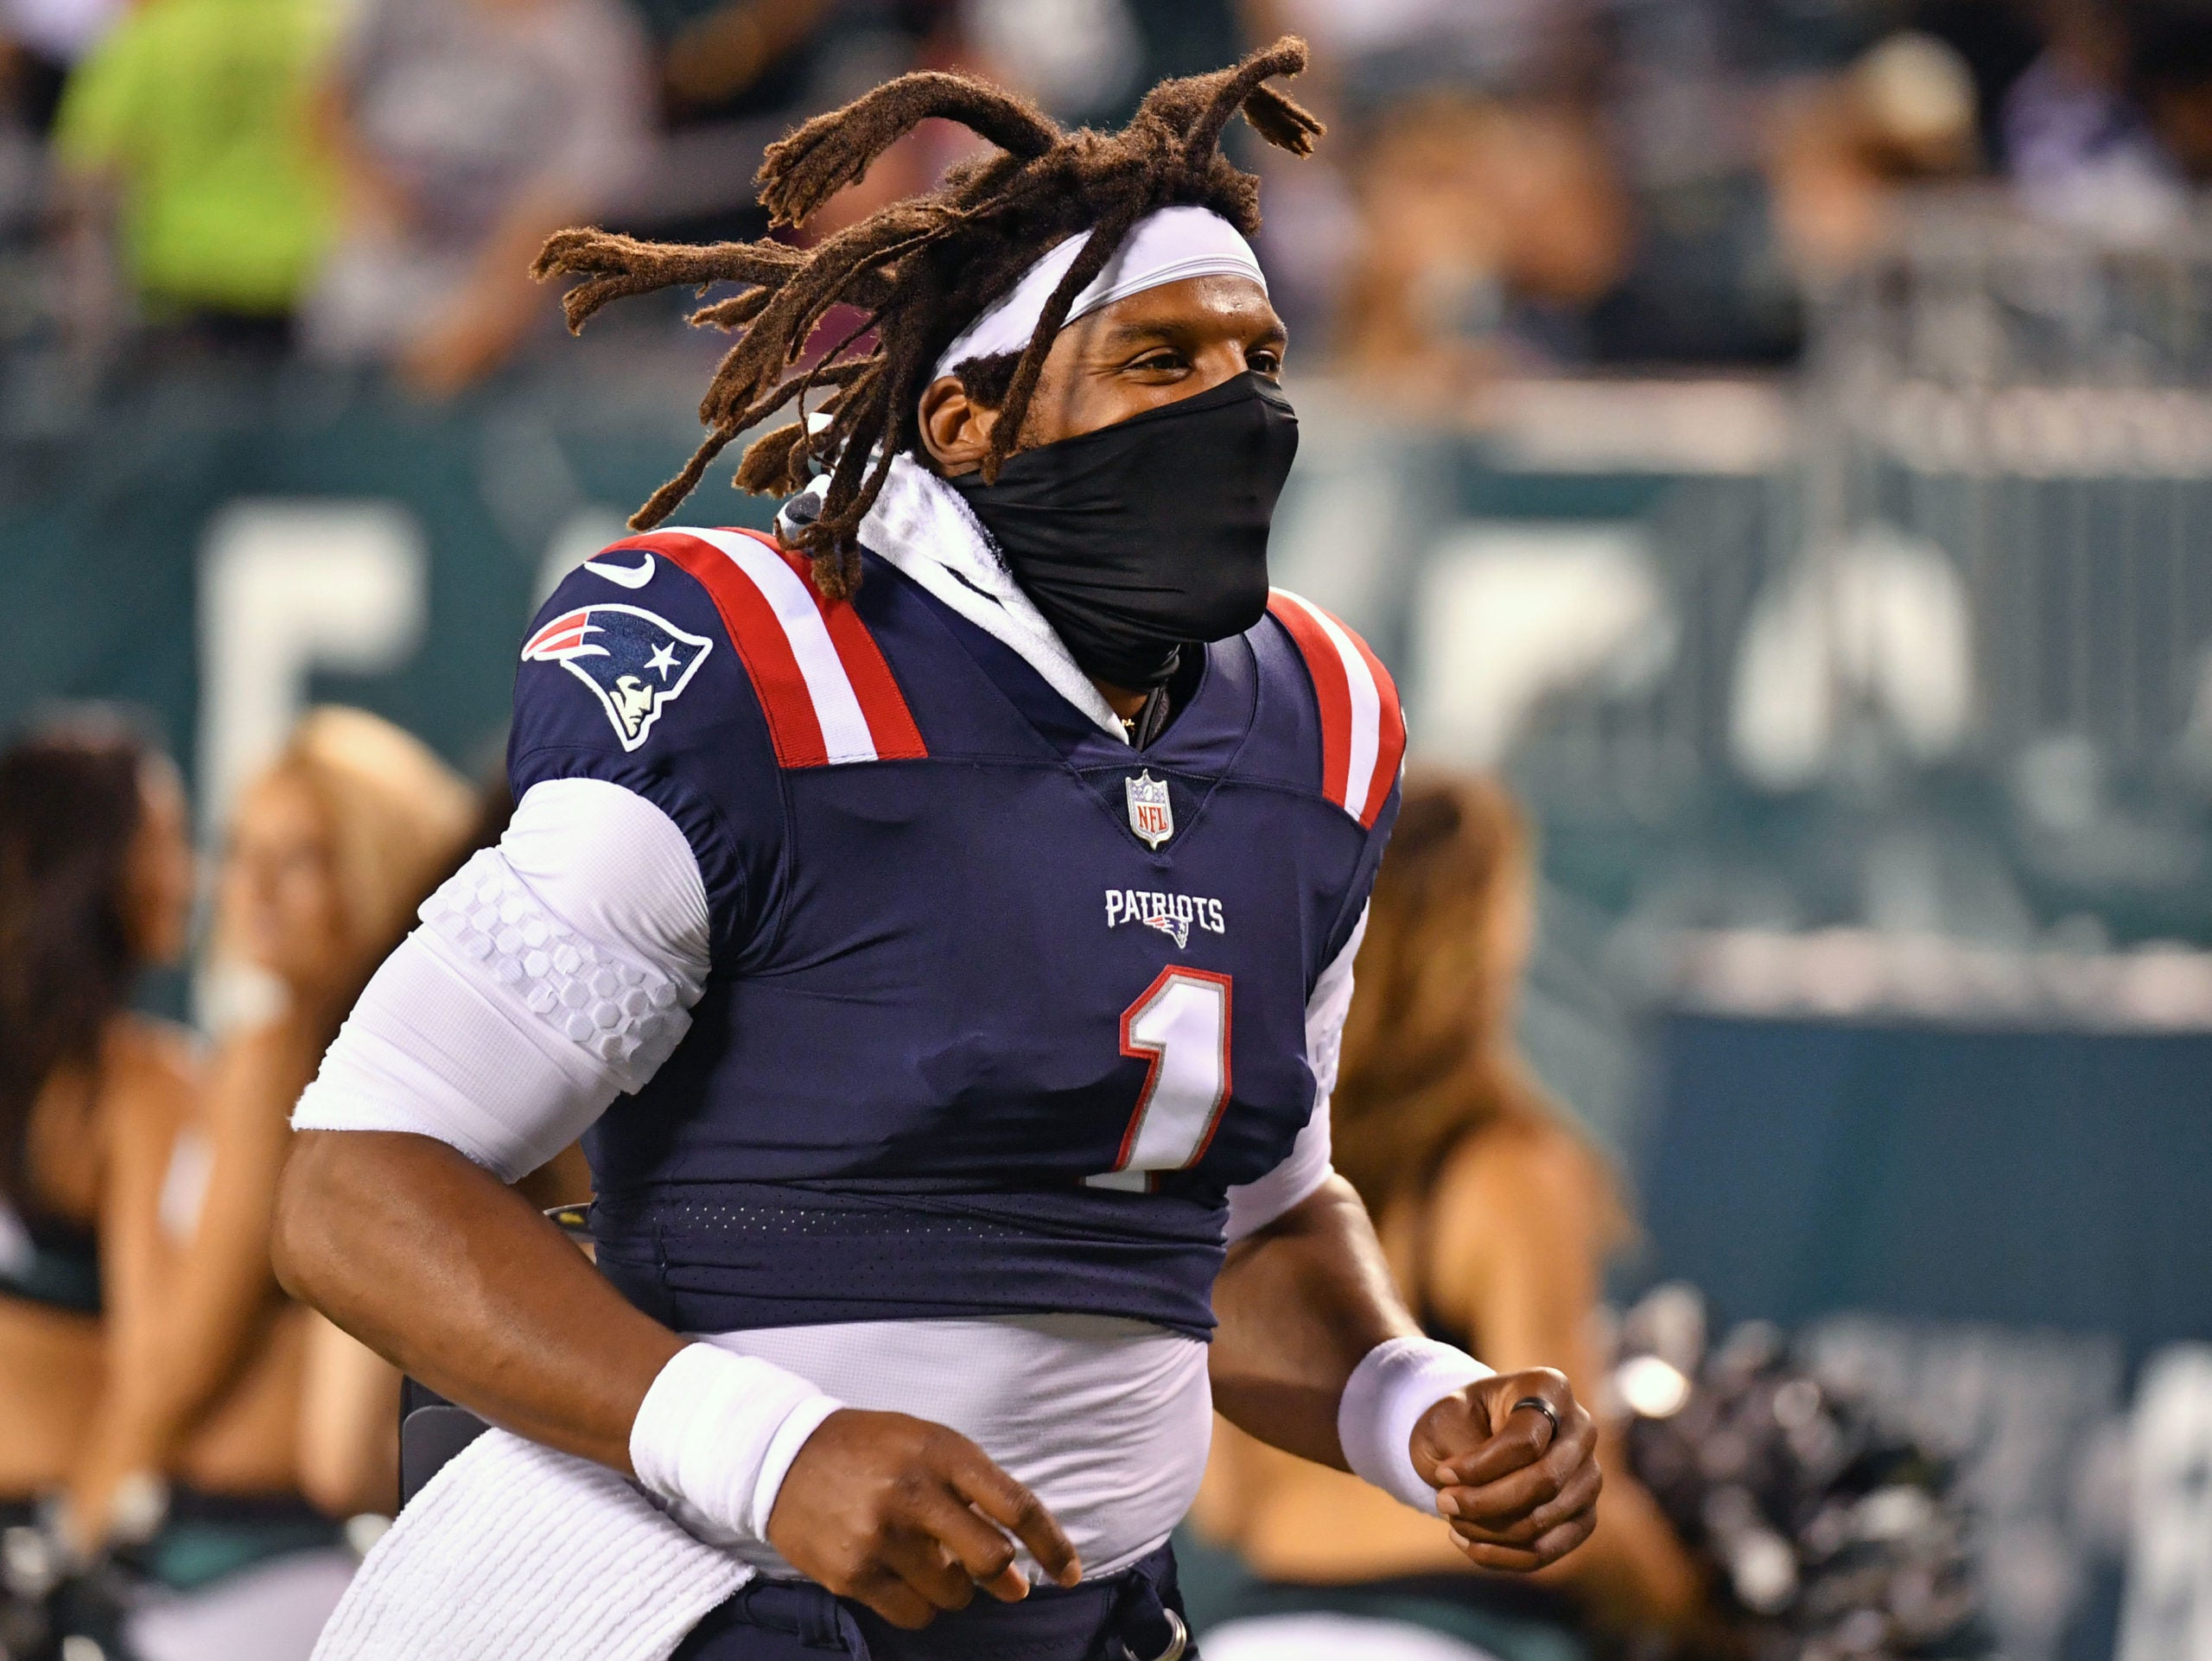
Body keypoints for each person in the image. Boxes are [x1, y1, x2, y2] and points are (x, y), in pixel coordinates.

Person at [276, 40, 1603, 1661]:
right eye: (1158, 360)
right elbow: (359, 1180)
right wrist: (770, 1452)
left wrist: (1411, 1397)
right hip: (701, 1596)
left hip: (1090, 1616)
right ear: (966, 416)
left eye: (1257, 357)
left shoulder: (1310, 724)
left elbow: (1242, 1223)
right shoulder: (761, 675)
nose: (1235, 408)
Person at [1193, 776, 1705, 1659]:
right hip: (1454, 1635)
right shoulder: (1499, 1170)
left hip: (1256, 1632)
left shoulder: (1246, 1165)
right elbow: (1565, 1510)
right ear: (1471, 939)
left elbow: (1228, 1505)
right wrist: (1705, 1609)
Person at [60, 707, 477, 1552]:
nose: (252, 888)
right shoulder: (413, 1047)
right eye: (242, 850)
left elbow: (180, 1361)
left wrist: (78, 1537)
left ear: (373, 864)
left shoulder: (282, 1058)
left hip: (274, 1548)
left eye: (300, 858)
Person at [0, 716, 195, 1505]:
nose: (192, 877)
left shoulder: (138, 1082)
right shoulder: (142, 1085)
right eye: (170, 842)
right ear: (98, 866)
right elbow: (160, 1371)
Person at [303, 0, 652, 396]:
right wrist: (374, 199)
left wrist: (491, 315)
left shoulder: (592, 36)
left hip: (505, 339)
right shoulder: (392, 10)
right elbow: (322, 104)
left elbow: (578, 189)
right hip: (359, 316)